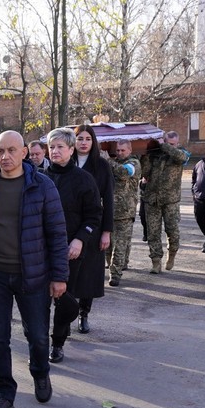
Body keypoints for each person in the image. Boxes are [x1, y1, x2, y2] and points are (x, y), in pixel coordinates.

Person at [0, 131, 68, 408]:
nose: (4, 156)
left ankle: (40, 372)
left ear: (24, 153)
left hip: (33, 276)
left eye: (11, 150)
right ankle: (4, 393)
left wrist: (59, 276)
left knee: (38, 336)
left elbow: (57, 234)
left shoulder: (42, 186)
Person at [45, 127, 103, 363]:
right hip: (40, 250)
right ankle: (38, 344)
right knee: (39, 303)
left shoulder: (84, 180)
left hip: (71, 250)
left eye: (60, 147)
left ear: (71, 149)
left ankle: (57, 343)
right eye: (52, 147)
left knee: (64, 301)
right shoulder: (40, 178)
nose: (55, 151)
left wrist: (80, 239)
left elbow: (94, 215)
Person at [72, 124, 113, 334]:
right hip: (68, 226)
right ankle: (65, 315)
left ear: (93, 142)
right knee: (67, 273)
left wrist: (106, 231)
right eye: (80, 139)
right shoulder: (65, 161)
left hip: (92, 226)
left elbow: (108, 200)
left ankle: (83, 314)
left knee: (88, 274)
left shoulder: (101, 166)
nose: (83, 143)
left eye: (88, 139)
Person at [140, 131, 190, 272]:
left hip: (170, 200)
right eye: (168, 143)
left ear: (177, 143)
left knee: (172, 231)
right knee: (153, 233)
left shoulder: (180, 153)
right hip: (152, 199)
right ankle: (156, 262)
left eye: (173, 144)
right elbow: (144, 172)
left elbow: (182, 157)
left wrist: (165, 147)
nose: (171, 147)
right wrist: (146, 155)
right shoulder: (154, 155)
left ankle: (172, 254)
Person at [106, 139, 140, 286]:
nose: (119, 153)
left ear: (129, 150)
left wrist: (107, 160)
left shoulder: (134, 163)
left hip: (125, 212)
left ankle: (115, 274)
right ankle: (114, 266)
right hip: (108, 210)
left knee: (119, 245)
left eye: (123, 150)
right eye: (117, 150)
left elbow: (124, 173)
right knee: (108, 245)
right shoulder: (113, 162)